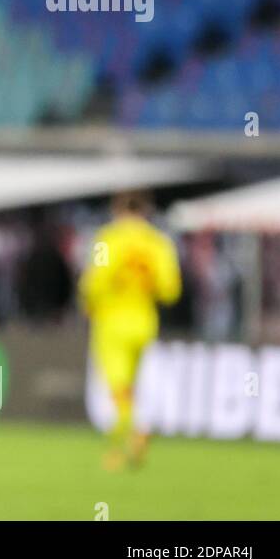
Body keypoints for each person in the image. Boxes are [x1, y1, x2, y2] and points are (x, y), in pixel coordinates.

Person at [79, 191, 181, 471]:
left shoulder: (109, 239)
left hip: (112, 322)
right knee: (129, 388)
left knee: (117, 389)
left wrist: (87, 302)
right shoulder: (158, 242)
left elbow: (95, 281)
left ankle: (128, 440)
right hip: (144, 321)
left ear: (118, 210)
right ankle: (129, 440)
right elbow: (170, 289)